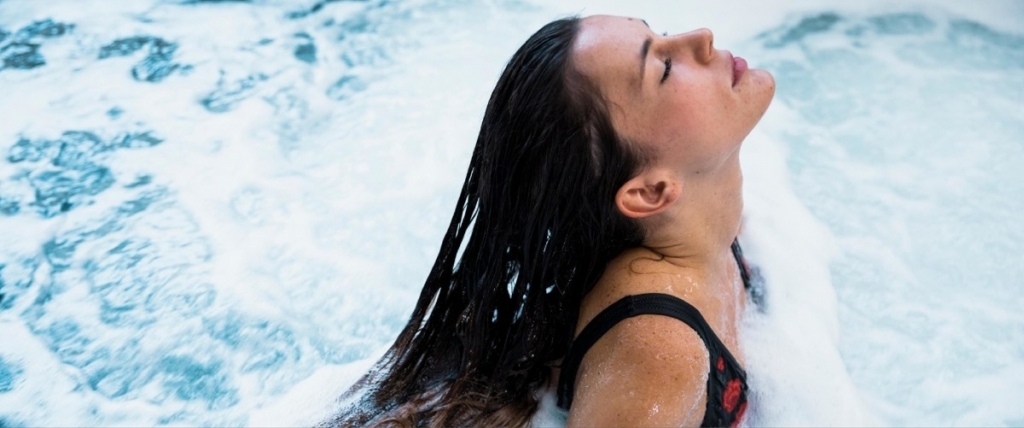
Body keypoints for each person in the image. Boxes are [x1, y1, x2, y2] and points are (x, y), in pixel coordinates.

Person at [323, 14, 774, 428]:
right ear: (650, 192)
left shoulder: (709, 216)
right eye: (664, 69)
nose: (701, 37)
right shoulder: (658, 349)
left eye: (659, 34)